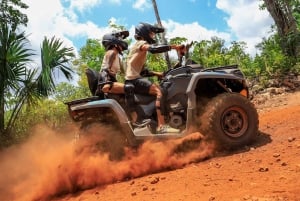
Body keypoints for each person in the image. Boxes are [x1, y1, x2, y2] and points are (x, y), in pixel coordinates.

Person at [125, 22, 186, 134]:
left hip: (134, 79)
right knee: (160, 91)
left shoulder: (137, 49)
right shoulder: (141, 43)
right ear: (145, 33)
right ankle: (162, 126)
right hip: (133, 80)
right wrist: (174, 47)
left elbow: (143, 72)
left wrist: (159, 74)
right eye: (152, 33)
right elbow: (154, 49)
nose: (153, 36)